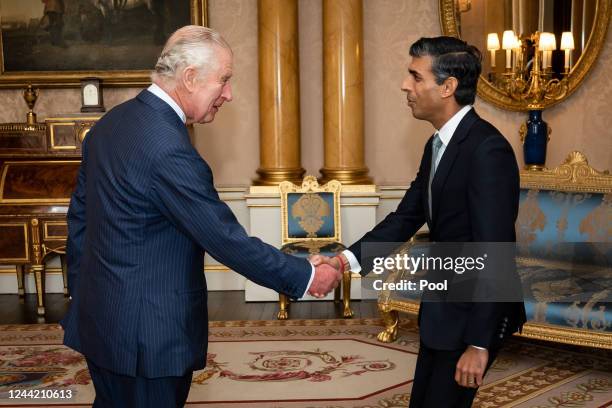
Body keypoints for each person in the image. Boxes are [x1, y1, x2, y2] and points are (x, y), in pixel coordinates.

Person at [61, 25, 341, 408]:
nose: (229, 93)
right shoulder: (167, 148)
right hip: (149, 337)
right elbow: (224, 238)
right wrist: (306, 275)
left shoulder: (110, 125)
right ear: (190, 78)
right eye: (224, 80)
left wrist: (85, 294)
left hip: (102, 321)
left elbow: (79, 221)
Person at [312, 36, 526, 407]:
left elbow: (496, 251)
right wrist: (343, 261)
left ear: (448, 87)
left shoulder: (486, 150)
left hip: (473, 313)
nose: (405, 86)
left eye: (416, 76)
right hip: (444, 306)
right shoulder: (437, 144)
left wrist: (478, 344)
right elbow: (406, 217)